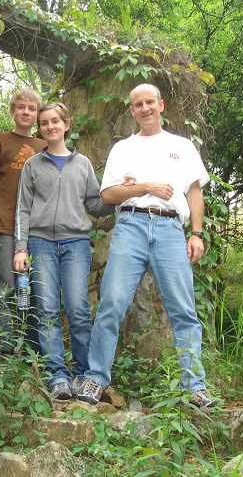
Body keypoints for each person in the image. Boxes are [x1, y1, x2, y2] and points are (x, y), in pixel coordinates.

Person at [77, 83, 217, 408]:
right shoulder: (122, 149)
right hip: (130, 226)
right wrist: (144, 187)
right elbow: (107, 195)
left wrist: (196, 233)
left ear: (161, 105)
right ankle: (95, 379)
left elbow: (194, 192)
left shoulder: (182, 146)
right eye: (138, 104)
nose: (144, 108)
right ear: (132, 110)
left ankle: (195, 386)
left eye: (149, 102)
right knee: (111, 303)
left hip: (170, 228)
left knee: (184, 309)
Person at [13, 102, 118, 399]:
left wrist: (119, 194)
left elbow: (95, 205)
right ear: (41, 128)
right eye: (44, 123)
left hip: (76, 245)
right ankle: (57, 375)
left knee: (78, 309)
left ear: (66, 125)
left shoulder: (82, 164)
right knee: (46, 309)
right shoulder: (33, 165)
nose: (50, 127)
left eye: (55, 121)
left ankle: (85, 374)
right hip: (40, 243)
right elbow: (22, 209)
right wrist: (20, 248)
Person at [0, 88, 47, 354]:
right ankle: (2, 354)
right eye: (21, 107)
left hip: (37, 231)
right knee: (2, 291)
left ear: (37, 114)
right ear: (13, 110)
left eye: (31, 108)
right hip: (3, 226)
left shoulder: (43, 147)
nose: (26, 112)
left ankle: (32, 353)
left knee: (36, 293)